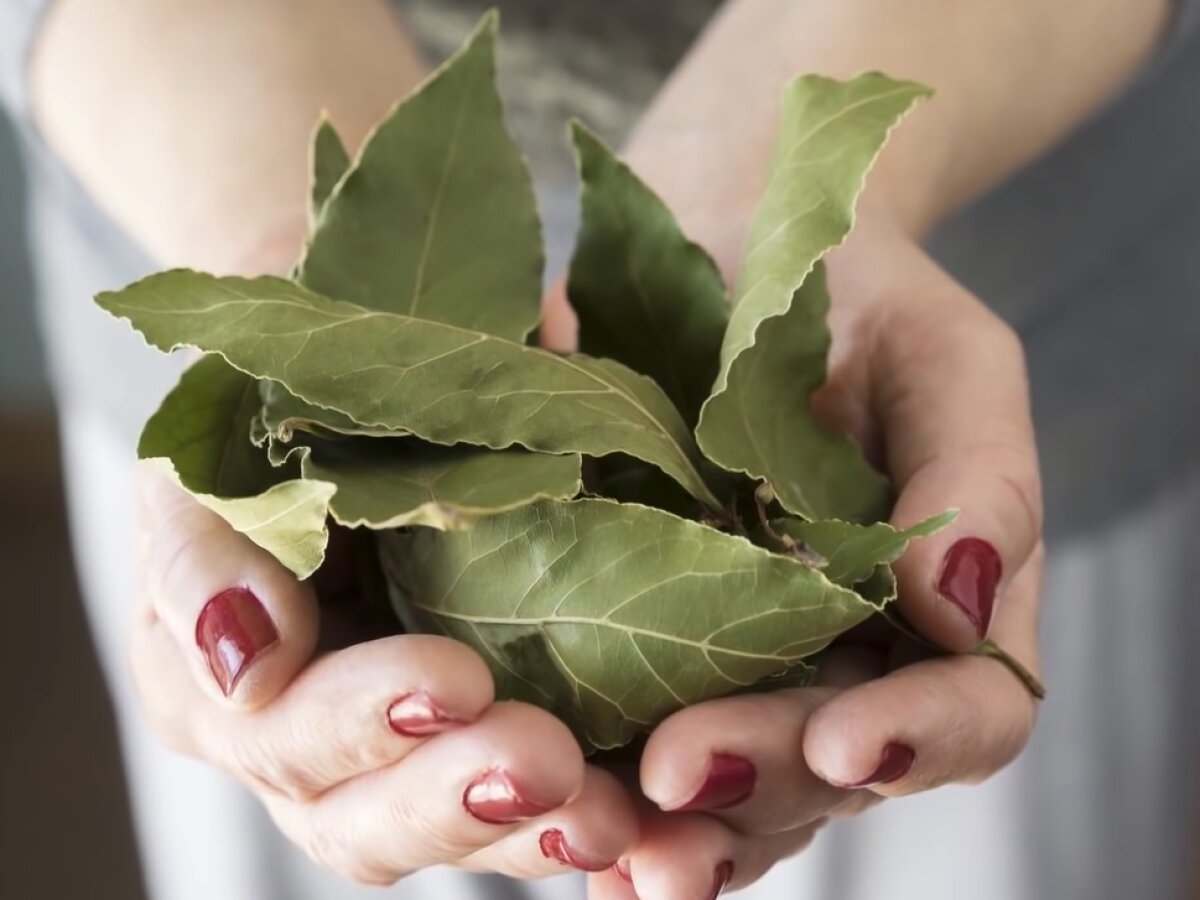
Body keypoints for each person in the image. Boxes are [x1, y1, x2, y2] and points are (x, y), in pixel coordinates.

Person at [2, 0, 1198, 897]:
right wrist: (284, 275)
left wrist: (806, 138)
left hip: (995, 228)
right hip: (199, 144)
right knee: (346, 768)